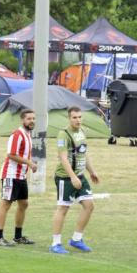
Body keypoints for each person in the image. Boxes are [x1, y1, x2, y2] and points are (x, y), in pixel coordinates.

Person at [49, 107, 100, 254]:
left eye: (79, 117)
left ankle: (76, 239)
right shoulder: (63, 135)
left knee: (89, 206)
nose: (78, 120)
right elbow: (63, 158)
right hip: (66, 178)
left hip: (80, 176)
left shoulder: (82, 132)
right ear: (69, 118)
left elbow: (84, 153)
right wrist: (72, 177)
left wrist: (92, 171)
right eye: (74, 117)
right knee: (63, 208)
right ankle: (55, 243)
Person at [0, 109, 38, 246]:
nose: (32, 121)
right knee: (6, 204)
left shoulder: (28, 134)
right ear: (22, 120)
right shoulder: (17, 134)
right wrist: (29, 163)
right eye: (29, 119)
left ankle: (18, 237)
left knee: (24, 204)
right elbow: (11, 154)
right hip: (10, 175)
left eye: (33, 118)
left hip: (21, 176)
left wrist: (30, 163)